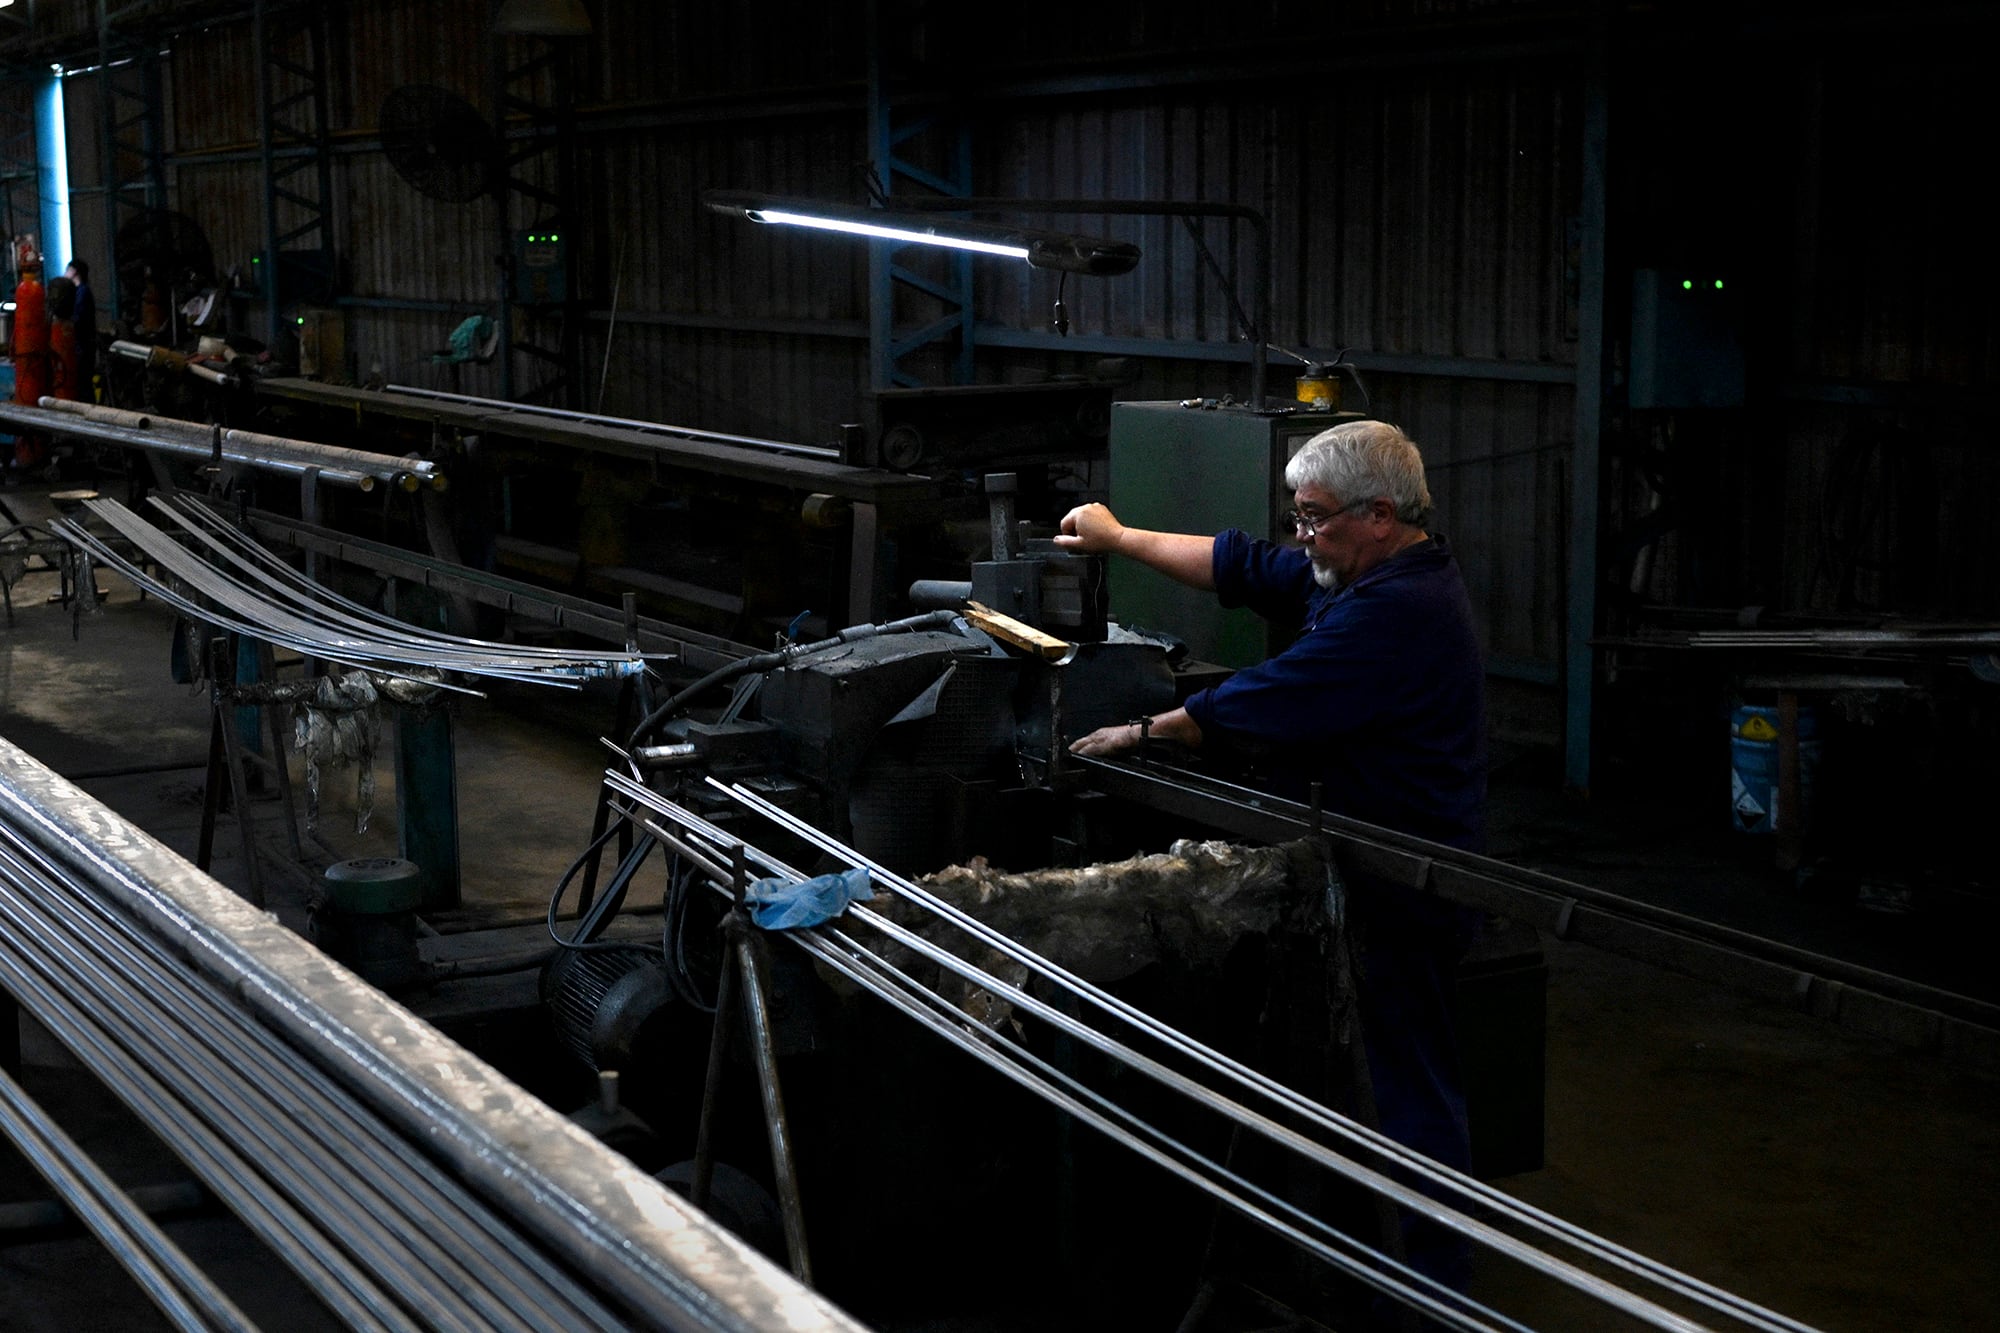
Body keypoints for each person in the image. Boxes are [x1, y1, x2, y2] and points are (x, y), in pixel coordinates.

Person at [1054, 417, 1487, 1299]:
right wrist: (1118, 537)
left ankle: (1434, 1286)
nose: (1303, 537)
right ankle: (1352, 1249)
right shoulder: (1354, 568)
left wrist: (1145, 730)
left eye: (1316, 519)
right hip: (1352, 861)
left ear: (1379, 514)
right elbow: (1243, 566)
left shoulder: (1403, 608)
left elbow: (1278, 693)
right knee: (1351, 1067)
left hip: (1404, 879)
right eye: (1297, 517)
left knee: (1409, 1084)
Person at [65, 259, 97, 400]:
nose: (65, 273)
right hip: (82, 343)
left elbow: (78, 318)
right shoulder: (79, 291)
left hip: (82, 344)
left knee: (82, 381)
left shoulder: (82, 292)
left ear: (74, 272)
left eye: (68, 270)